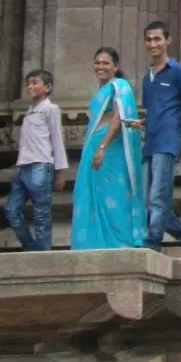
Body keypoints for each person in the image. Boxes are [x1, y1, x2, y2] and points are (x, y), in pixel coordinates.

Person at [71, 48, 147, 250]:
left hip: (110, 150)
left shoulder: (119, 86)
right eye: (97, 62)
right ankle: (94, 243)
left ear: (115, 66)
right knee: (94, 194)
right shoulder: (100, 92)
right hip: (94, 146)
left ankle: (119, 243)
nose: (100, 67)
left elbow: (116, 118)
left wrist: (102, 147)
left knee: (114, 193)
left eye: (105, 63)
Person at [138, 21, 181, 252]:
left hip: (167, 142)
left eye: (157, 39)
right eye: (149, 39)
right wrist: (141, 122)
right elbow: (156, 108)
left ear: (168, 41)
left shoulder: (177, 71)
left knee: (156, 197)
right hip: (149, 143)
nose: (153, 43)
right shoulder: (148, 77)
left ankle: (153, 242)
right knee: (151, 200)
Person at [4, 69, 68, 251]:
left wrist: (59, 173)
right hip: (23, 167)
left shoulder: (50, 109)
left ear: (48, 88)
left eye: (34, 83)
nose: (30, 87)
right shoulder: (30, 112)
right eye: (28, 83)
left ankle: (44, 253)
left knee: (41, 215)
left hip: (41, 166)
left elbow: (57, 140)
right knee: (11, 211)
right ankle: (32, 247)